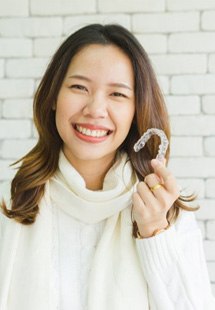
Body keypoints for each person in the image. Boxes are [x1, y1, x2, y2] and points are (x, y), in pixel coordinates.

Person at [0, 23, 214, 310]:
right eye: (79, 87)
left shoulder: (168, 214)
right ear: (53, 97)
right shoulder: (10, 206)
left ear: (136, 110)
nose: (95, 109)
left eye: (117, 94)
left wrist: (155, 232)